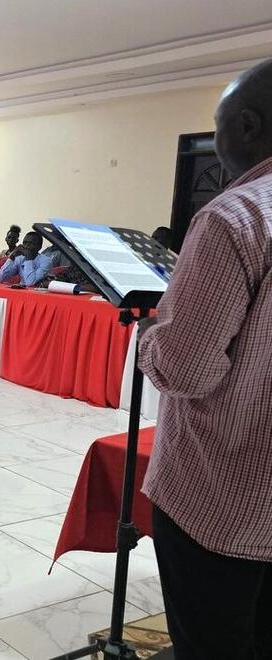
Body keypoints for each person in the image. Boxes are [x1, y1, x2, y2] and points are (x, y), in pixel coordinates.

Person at [137, 59, 272, 660]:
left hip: (228, 498)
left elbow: (187, 369)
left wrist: (150, 335)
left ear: (247, 125)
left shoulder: (236, 216)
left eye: (216, 126)